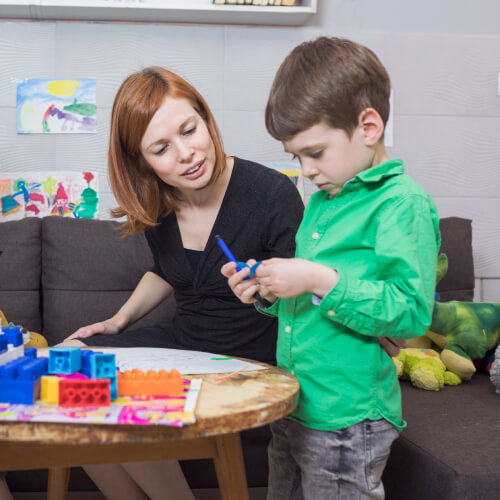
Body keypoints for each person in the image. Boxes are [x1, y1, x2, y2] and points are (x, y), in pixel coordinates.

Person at [61, 66, 304, 500]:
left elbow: (303, 286)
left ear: (207, 120)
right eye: (161, 148)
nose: (186, 154)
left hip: (247, 353)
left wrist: (265, 284)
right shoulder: (161, 202)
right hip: (185, 344)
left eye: (190, 131)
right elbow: (167, 271)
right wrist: (118, 321)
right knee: (67, 367)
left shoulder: (270, 193)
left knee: (124, 408)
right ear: (142, 160)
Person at [222, 36, 441, 500]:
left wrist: (319, 278)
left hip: (347, 416)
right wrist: (267, 290)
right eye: (295, 156)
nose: (305, 171)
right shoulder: (323, 201)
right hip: (296, 402)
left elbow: (410, 311)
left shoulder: (403, 204)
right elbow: (312, 303)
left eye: (314, 153)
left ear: (368, 126)